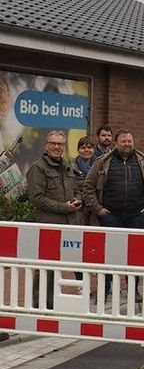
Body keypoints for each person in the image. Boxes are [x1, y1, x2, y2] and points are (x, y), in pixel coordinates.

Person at [82, 130, 144, 296]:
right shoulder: (102, 162)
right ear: (116, 143)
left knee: (134, 256)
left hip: (136, 216)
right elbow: (88, 187)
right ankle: (105, 289)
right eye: (123, 141)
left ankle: (133, 290)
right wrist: (99, 210)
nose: (127, 144)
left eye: (130, 141)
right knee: (109, 255)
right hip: (110, 216)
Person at [27, 130, 82, 308]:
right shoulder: (38, 167)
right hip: (49, 224)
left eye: (60, 144)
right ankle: (39, 305)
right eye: (53, 143)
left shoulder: (68, 166)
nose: (57, 147)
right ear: (46, 145)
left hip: (69, 224)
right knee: (45, 267)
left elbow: (77, 189)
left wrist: (78, 199)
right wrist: (64, 207)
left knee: (60, 265)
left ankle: (52, 302)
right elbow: (36, 198)